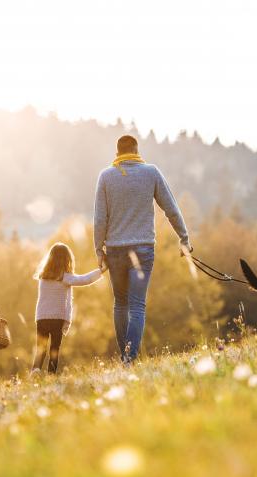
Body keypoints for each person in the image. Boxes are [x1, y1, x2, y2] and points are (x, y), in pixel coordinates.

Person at [93, 135, 192, 364]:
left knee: (120, 303)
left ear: (117, 152)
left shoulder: (106, 176)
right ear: (137, 150)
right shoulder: (151, 172)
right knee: (137, 304)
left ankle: (125, 357)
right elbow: (171, 208)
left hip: (115, 250)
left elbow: (99, 219)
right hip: (143, 249)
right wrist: (184, 238)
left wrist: (99, 250)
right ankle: (129, 358)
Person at [31, 242, 105, 374]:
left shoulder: (43, 277)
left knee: (40, 349)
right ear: (67, 260)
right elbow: (85, 279)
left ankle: (35, 371)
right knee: (54, 349)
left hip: (41, 318)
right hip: (56, 319)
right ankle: (51, 376)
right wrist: (102, 270)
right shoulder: (64, 277)